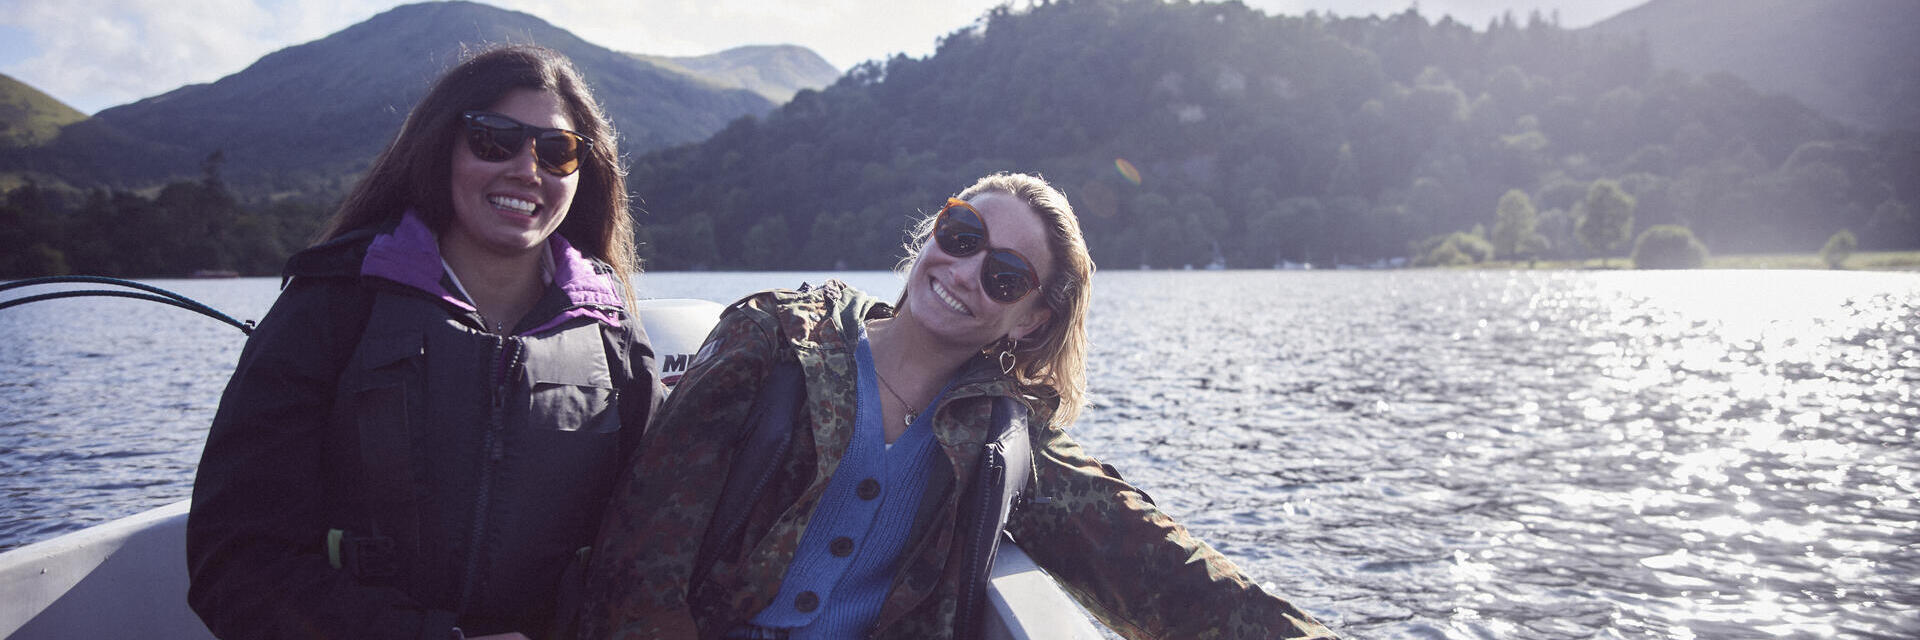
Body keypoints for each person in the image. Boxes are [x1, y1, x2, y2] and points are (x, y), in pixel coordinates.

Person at [579, 173, 1337, 639]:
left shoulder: (1003, 437)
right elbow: (642, 545)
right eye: (961, 234)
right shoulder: (775, 339)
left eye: (1006, 276)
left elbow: (1155, 565)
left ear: (1032, 318)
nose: (966, 271)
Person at [187, 44, 662, 640]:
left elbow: (654, 543)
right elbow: (234, 559)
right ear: (442, 147)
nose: (526, 168)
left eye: (556, 150)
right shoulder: (333, 304)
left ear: (580, 172)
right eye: (494, 139)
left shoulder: (614, 335)